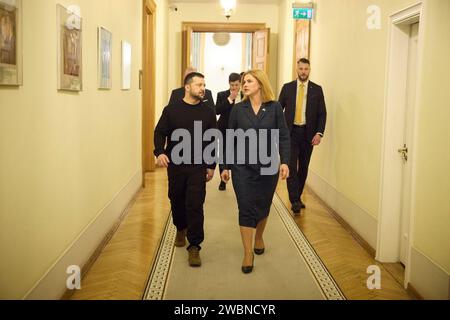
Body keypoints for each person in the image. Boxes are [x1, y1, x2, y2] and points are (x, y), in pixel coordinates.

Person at [221, 69, 290, 274]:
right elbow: (229, 138)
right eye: (244, 82)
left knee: (263, 205)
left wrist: (285, 162)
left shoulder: (275, 107)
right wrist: (225, 166)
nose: (244, 84)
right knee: (245, 206)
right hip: (242, 167)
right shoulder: (238, 109)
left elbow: (284, 136)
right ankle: (247, 252)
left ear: (260, 83)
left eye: (249, 81)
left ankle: (259, 236)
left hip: (268, 167)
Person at [154, 72, 217, 267]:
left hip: (198, 166)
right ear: (187, 87)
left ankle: (195, 246)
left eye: (204, 84)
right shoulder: (171, 110)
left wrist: (211, 165)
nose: (202, 88)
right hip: (176, 165)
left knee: (195, 203)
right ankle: (180, 227)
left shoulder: (207, 111)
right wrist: (160, 152)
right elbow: (159, 132)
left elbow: (212, 138)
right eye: (199, 84)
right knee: (176, 198)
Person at [278, 58, 327, 215]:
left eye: (306, 69)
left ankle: (297, 196)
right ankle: (295, 201)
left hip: (308, 134)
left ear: (309, 70)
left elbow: (322, 113)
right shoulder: (287, 88)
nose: (303, 71)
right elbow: (279, 111)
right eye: (301, 69)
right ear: (296, 69)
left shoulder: (317, 90)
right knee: (291, 166)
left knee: (304, 168)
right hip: (290, 134)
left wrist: (319, 133)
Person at [215, 72, 243, 191]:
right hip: (224, 129)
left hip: (241, 130)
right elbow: (217, 111)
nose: (234, 87)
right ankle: (223, 180)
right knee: (223, 154)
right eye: (232, 85)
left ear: (240, 83)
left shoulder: (245, 95)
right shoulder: (222, 95)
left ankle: (240, 179)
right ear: (229, 84)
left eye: (236, 85)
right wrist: (230, 99)